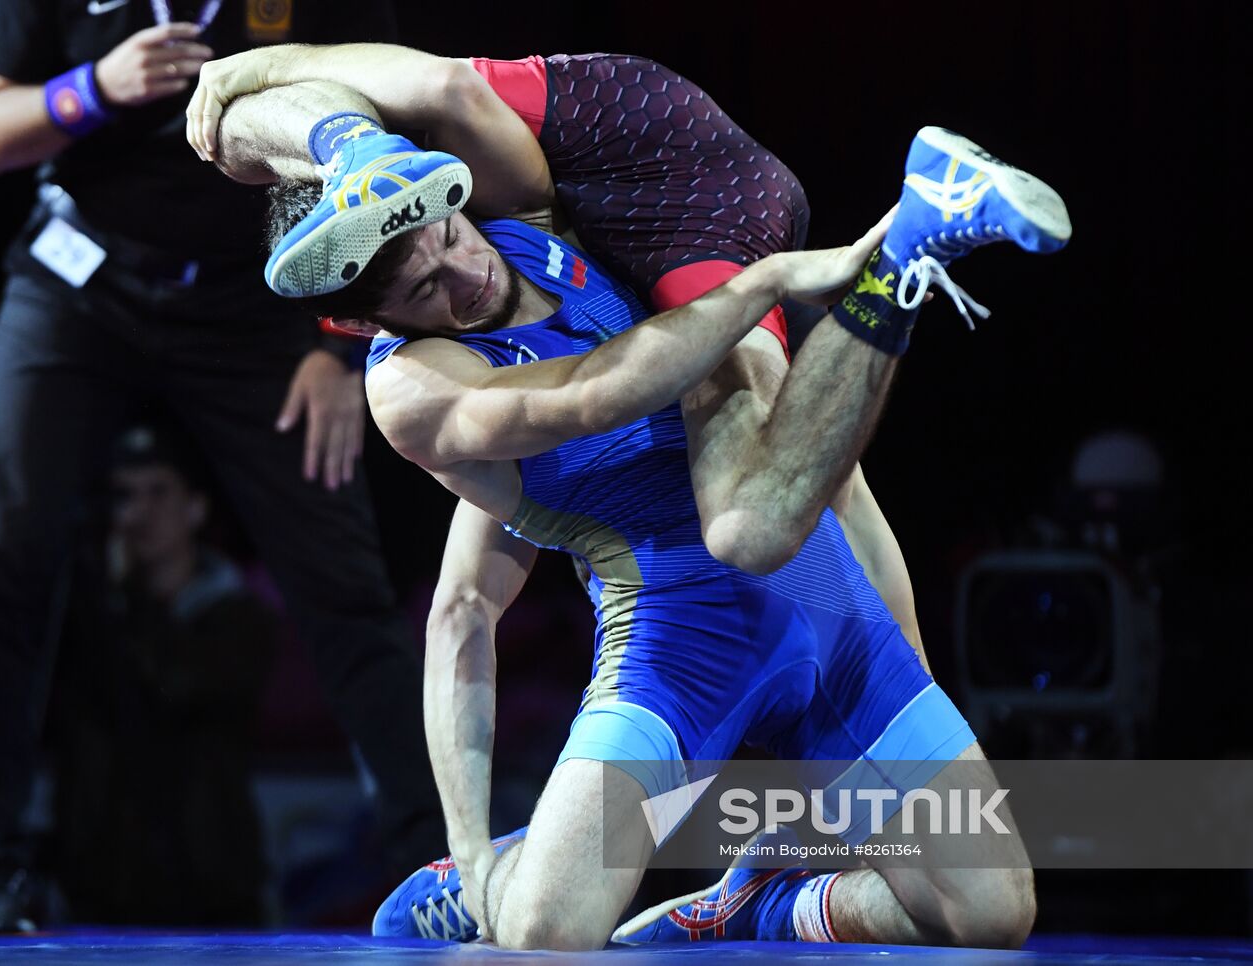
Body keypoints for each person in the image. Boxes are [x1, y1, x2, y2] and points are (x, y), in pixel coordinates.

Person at [188, 44, 1069, 950]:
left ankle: (764, 902)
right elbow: (589, 401)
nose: (468, 273)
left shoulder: (528, 219)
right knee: (544, 933)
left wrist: (327, 133)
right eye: (427, 289)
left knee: (993, 912)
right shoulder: (412, 391)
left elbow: (842, 482)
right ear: (363, 322)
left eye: (451, 236)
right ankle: (536, 863)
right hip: (676, 650)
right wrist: (468, 850)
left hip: (830, 617)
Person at [0, 6, 443, 940]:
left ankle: (435, 861)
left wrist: (340, 350)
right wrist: (93, 88)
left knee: (343, 583)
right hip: (80, 281)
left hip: (255, 312)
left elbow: (391, 139)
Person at [50, 423, 274, 926]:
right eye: (125, 496)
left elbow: (181, 687)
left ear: (196, 507)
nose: (141, 513)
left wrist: (125, 597)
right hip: (102, 889)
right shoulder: (86, 614)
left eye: (158, 491)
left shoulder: (238, 615)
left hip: (214, 890)